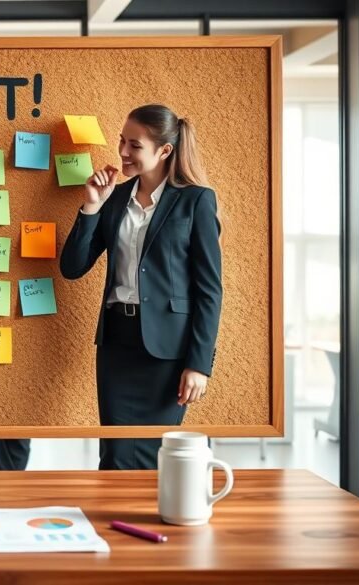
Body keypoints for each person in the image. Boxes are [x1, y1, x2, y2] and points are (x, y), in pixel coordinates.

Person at [60, 103, 223, 470]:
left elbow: (210, 291)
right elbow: (72, 268)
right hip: (117, 346)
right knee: (115, 455)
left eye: (134, 145)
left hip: (168, 353)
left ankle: (154, 525)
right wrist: (91, 207)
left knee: (156, 456)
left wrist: (199, 364)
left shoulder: (196, 201)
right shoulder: (115, 199)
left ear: (164, 151)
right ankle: (114, 526)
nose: (122, 152)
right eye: (122, 141)